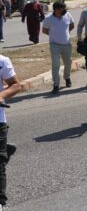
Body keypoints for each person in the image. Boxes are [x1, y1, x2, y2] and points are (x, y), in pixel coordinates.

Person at [0, 54, 23, 210]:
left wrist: (1, 95)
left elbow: (16, 85)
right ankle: (5, 150)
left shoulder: (2, 61)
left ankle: (0, 203)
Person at [42, 2, 75, 94]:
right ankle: (56, 85)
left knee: (68, 62)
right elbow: (44, 30)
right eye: (62, 9)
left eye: (65, 9)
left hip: (66, 44)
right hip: (54, 45)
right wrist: (54, 35)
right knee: (56, 65)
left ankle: (67, 77)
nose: (64, 11)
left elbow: (72, 25)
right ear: (56, 10)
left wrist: (66, 33)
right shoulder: (49, 19)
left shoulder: (67, 15)